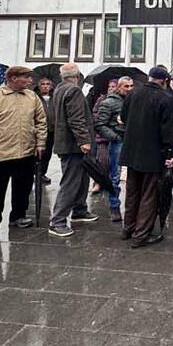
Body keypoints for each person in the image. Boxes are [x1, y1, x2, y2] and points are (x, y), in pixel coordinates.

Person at [0, 66, 48, 240]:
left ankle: (18, 215)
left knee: (23, 187)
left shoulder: (31, 96)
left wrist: (40, 143)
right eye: (26, 78)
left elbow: (41, 121)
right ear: (13, 78)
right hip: (0, 154)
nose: (30, 81)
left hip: (26, 152)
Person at [119, 66, 173, 248]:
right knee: (149, 196)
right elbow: (168, 131)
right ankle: (141, 235)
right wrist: (170, 153)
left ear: (150, 78)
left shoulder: (133, 93)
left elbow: (123, 117)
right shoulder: (167, 98)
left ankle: (128, 229)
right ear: (164, 81)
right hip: (153, 154)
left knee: (132, 192)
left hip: (131, 151)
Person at [48, 63, 100, 237]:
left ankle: (80, 210)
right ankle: (58, 221)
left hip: (67, 144)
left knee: (81, 179)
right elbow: (76, 119)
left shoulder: (59, 89)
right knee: (70, 182)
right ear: (77, 76)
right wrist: (84, 140)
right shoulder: (74, 91)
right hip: (74, 146)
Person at [94, 76, 133, 222]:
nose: (129, 89)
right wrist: (115, 137)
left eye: (131, 86)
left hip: (132, 141)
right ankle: (114, 206)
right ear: (119, 87)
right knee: (115, 176)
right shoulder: (108, 102)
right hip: (118, 141)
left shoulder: (133, 101)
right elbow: (99, 124)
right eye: (126, 86)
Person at [34, 77, 55, 185]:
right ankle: (36, 173)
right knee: (38, 154)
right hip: (38, 131)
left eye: (48, 84)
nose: (45, 86)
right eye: (43, 84)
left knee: (47, 154)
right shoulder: (34, 97)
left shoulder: (54, 97)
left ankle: (42, 173)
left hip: (51, 131)